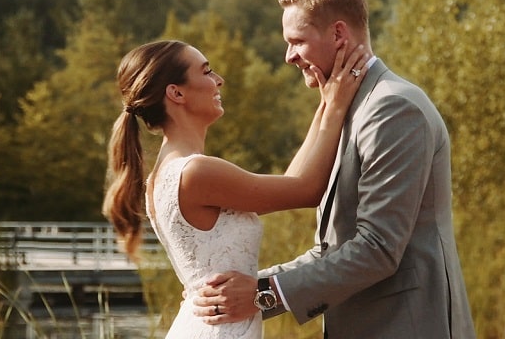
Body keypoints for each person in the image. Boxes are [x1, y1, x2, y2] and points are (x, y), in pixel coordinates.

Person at [193, 0, 477, 338]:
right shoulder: (350, 108)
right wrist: (243, 289)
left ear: (339, 34)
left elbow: (377, 249)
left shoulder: (391, 108)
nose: (288, 56)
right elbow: (331, 249)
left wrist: (262, 295)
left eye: (297, 41)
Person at [102, 39, 369, 338]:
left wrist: (325, 105)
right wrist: (335, 107)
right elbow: (307, 190)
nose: (219, 80)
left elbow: (291, 183)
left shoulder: (167, 173)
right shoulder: (197, 172)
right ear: (176, 93)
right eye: (206, 72)